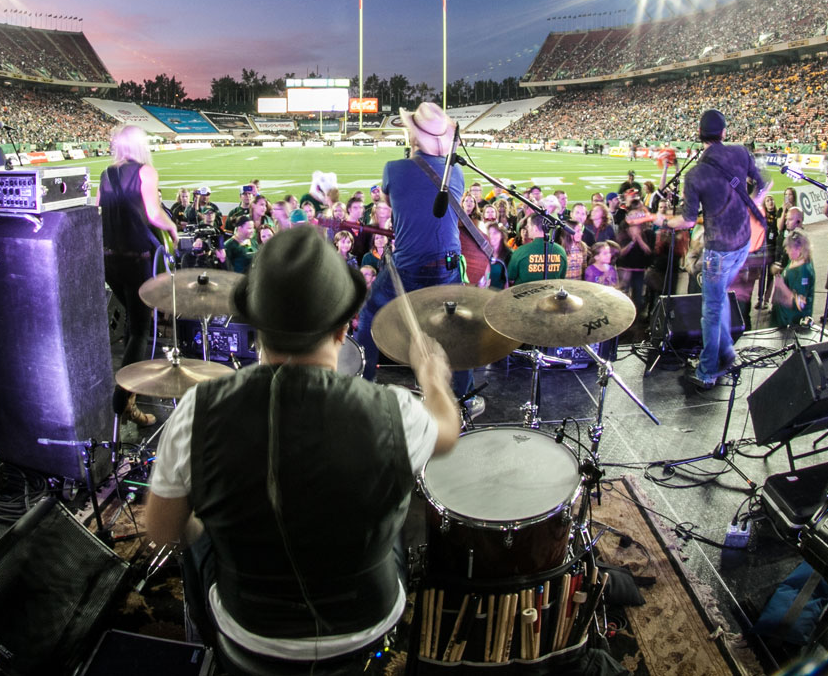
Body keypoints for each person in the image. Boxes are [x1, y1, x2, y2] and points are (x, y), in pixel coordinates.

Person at [145, 227, 459, 665]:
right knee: (400, 513)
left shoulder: (200, 408)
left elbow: (160, 529)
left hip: (249, 623)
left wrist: (217, 521)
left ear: (255, 327)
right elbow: (447, 431)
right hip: (365, 619)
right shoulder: (395, 410)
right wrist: (432, 379)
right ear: (343, 329)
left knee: (198, 537)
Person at [354, 103, 481, 416]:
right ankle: (463, 398)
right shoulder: (458, 173)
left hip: (409, 267)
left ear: (412, 137)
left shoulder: (394, 170)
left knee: (370, 316)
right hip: (448, 266)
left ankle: (362, 383)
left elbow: (391, 203)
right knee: (454, 328)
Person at [661, 109, 768, 391]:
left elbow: (685, 219)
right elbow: (764, 183)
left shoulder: (695, 174)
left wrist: (663, 221)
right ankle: (728, 351)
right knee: (718, 300)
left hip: (718, 250)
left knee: (711, 309)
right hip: (743, 244)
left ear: (700, 134)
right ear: (723, 132)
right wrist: (750, 204)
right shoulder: (741, 153)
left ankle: (708, 371)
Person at [99, 124, 179, 427]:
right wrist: (171, 228)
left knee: (134, 324)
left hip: (111, 261)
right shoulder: (145, 171)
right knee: (139, 332)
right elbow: (152, 213)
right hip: (140, 260)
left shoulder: (107, 173)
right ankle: (122, 400)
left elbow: (97, 210)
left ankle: (130, 405)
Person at [769, 230, 815, 330]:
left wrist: (781, 286)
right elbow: (789, 275)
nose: (786, 250)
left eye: (789, 248)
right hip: (781, 317)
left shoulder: (804, 272)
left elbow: (800, 304)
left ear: (799, 249)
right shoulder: (794, 259)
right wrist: (780, 271)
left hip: (791, 324)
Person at [506, 212, 567, 284]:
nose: (527, 229)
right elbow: (561, 277)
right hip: (552, 293)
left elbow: (510, 278)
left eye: (528, 226)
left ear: (535, 228)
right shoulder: (561, 251)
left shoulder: (520, 251)